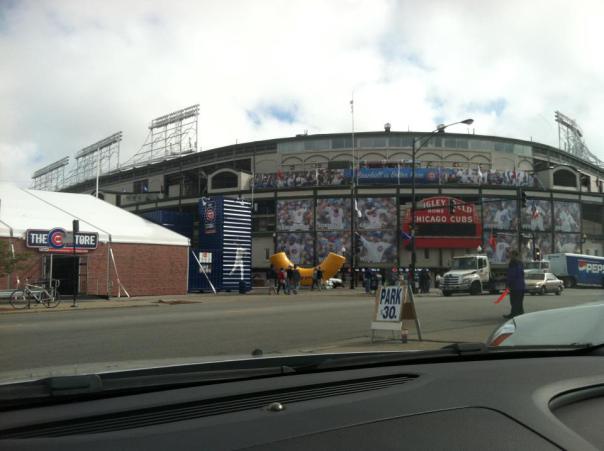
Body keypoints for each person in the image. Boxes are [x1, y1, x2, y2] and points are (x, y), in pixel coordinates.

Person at [504, 250, 525, 319]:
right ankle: (520, 314)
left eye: (510, 254)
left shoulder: (513, 263)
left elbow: (511, 275)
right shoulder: (520, 263)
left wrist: (508, 284)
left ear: (513, 255)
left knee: (514, 301)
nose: (509, 256)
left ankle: (513, 314)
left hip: (515, 286)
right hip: (521, 285)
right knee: (519, 301)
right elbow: (521, 274)